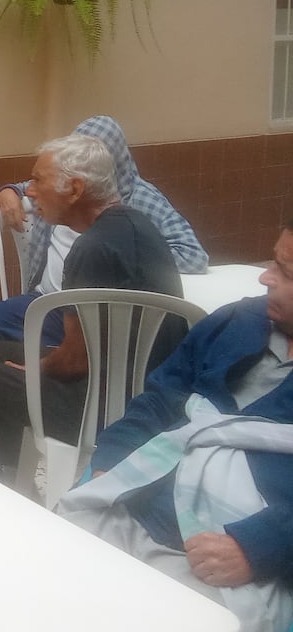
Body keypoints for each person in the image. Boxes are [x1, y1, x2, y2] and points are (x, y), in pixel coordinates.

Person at [56, 223, 293, 632]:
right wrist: (111, 459)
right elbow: (160, 398)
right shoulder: (238, 321)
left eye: (286, 272)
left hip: (222, 559)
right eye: (274, 261)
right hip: (137, 506)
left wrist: (260, 546)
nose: (265, 276)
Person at [0, 133, 184, 484]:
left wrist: (38, 367)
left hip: (105, 409)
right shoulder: (141, 226)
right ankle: (9, 478)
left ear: (74, 189)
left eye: (39, 181)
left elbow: (75, 362)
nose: (29, 191)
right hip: (149, 389)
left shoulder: (89, 250)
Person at [0, 114, 207, 353]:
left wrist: (131, 258)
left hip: (104, 317)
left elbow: (193, 255)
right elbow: (40, 184)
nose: (33, 191)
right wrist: (8, 191)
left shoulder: (140, 203)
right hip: (48, 299)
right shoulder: (59, 189)